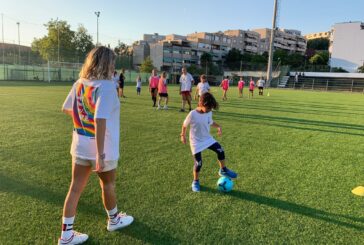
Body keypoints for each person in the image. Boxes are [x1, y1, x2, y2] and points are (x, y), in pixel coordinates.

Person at [59, 46, 133, 244]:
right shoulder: (107, 86)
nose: (114, 66)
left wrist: (83, 120)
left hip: (80, 145)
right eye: (113, 62)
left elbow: (66, 109)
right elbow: (100, 120)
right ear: (107, 63)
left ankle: (66, 235)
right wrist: (100, 154)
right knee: (107, 184)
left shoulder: (79, 83)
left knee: (74, 188)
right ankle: (114, 219)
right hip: (103, 149)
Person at [180, 92, 238, 192]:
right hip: (196, 142)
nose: (209, 110)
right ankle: (195, 181)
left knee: (220, 150)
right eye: (208, 108)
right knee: (199, 164)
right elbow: (184, 125)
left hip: (207, 139)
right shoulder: (192, 114)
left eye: (211, 109)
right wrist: (183, 135)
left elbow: (210, 122)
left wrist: (218, 126)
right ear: (201, 103)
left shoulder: (208, 112)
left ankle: (223, 169)